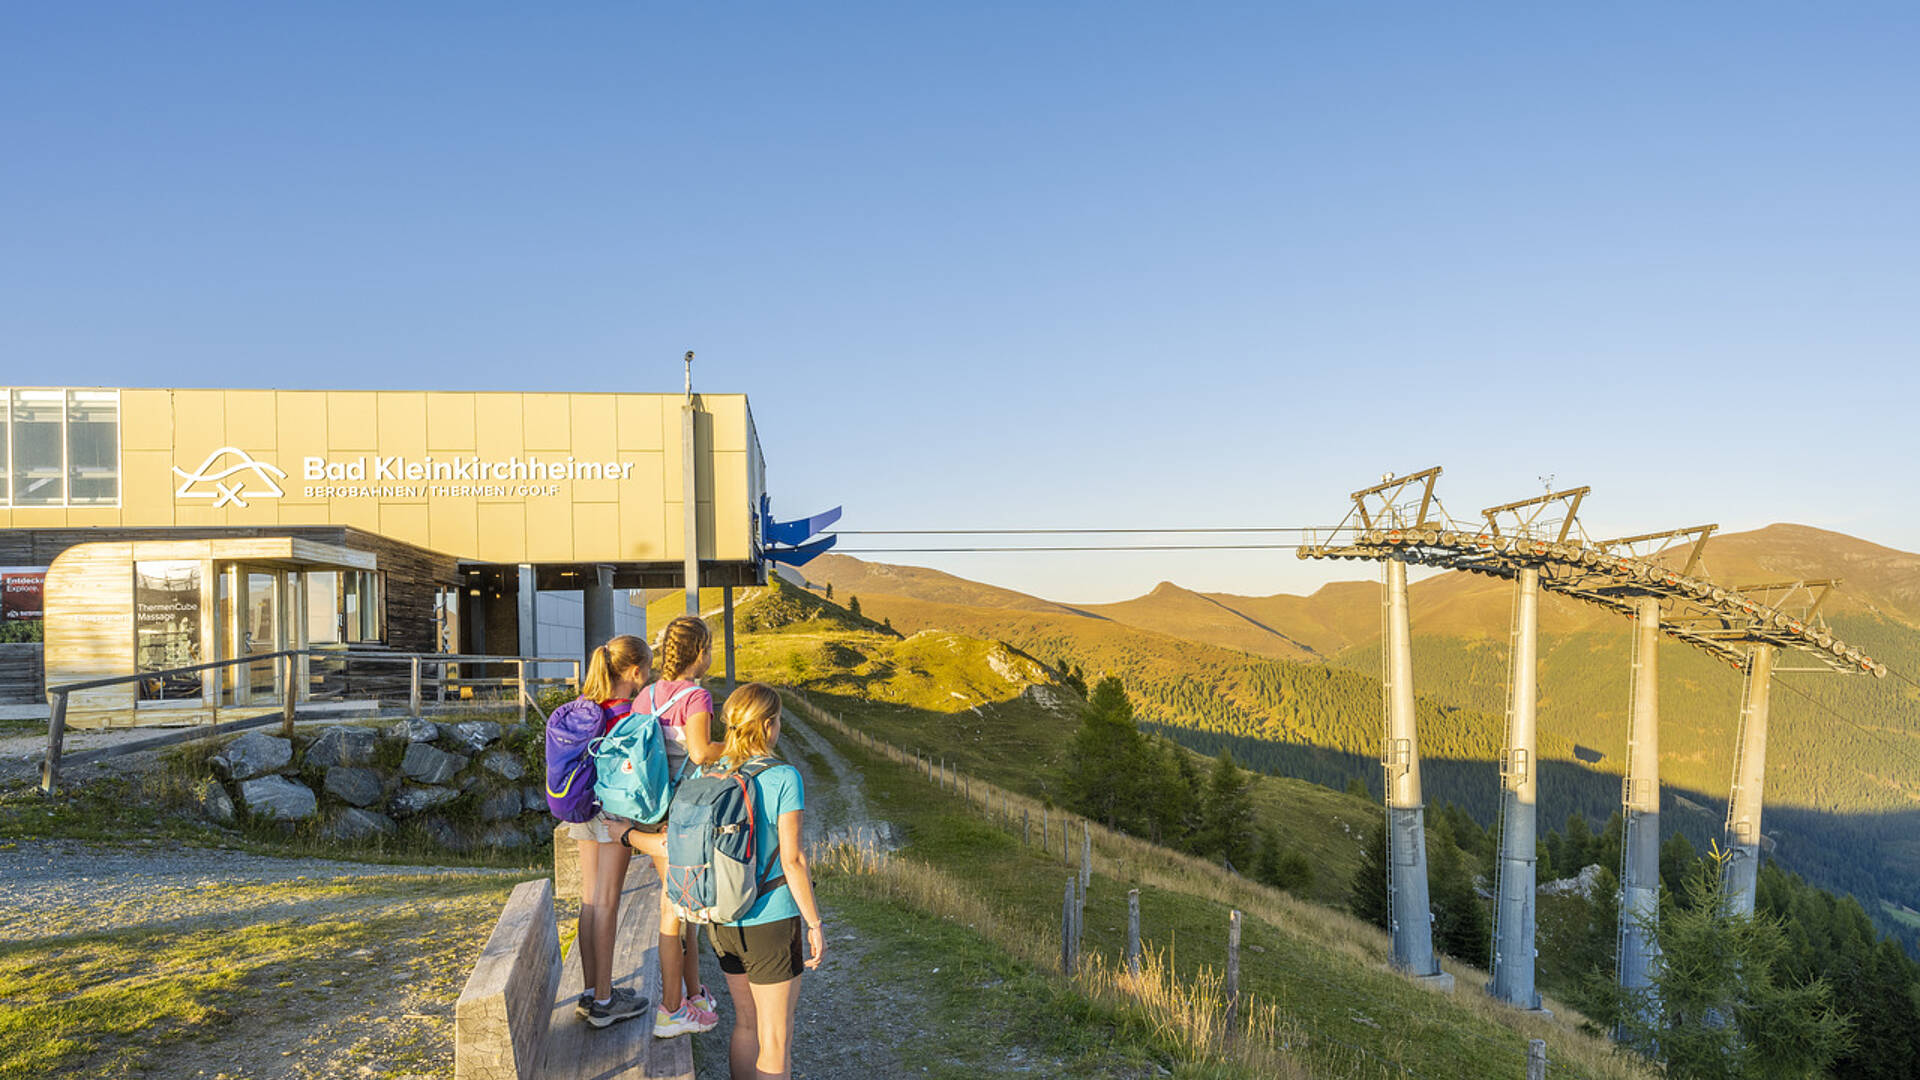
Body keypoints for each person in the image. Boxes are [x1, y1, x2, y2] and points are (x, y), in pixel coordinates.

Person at [704, 682, 824, 1080]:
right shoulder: (784, 777)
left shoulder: (711, 771)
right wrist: (814, 922)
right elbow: (793, 859)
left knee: (746, 1025)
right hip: (770, 919)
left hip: (722, 918)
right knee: (775, 1040)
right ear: (769, 725)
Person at [639, 615, 724, 1037]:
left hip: (650, 811)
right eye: (709, 647)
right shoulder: (697, 697)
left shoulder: (647, 695)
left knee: (685, 911)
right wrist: (742, 746)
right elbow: (701, 750)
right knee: (675, 911)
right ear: (700, 652)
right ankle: (671, 1009)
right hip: (683, 817)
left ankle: (692, 995)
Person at [568, 634, 653, 1028]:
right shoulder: (625, 716)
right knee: (607, 903)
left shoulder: (587, 709)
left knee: (590, 901)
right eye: (647, 670)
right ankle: (604, 1001)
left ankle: (590, 991)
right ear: (635, 672)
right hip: (613, 816)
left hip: (581, 808)